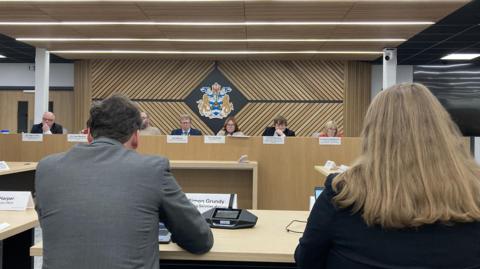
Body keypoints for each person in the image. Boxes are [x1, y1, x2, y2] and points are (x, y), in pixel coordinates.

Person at [295, 83, 480, 269]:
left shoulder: (341, 194)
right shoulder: (475, 193)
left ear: (371, 134)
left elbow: (307, 260)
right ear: (443, 128)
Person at [35, 95, 213, 269]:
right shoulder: (152, 169)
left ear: (89, 135)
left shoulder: (46, 168)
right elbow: (199, 240)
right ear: (136, 137)